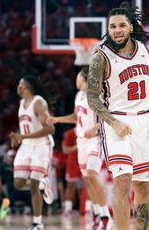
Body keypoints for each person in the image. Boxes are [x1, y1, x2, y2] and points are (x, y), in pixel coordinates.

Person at [86, 3, 149, 230]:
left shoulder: (148, 52)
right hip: (115, 121)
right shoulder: (100, 57)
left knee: (143, 187)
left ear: (131, 27)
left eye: (121, 25)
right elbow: (92, 98)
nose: (116, 30)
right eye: (112, 26)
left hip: (144, 122)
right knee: (121, 182)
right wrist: (113, 122)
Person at [47, 67, 112, 229]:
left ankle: (106, 216)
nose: (75, 79)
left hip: (96, 139)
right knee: (87, 179)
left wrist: (96, 128)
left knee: (92, 174)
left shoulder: (97, 94)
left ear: (84, 78)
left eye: (78, 77)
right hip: (82, 140)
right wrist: (57, 120)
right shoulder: (79, 96)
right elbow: (77, 117)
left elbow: (108, 117)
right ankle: (97, 213)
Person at [9, 75, 55, 230]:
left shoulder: (39, 102)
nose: (18, 87)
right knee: (18, 183)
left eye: (20, 84)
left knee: (34, 185)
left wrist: (23, 136)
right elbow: (26, 128)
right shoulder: (21, 104)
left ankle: (38, 223)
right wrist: (18, 137)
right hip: (26, 146)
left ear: (26, 87)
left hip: (42, 146)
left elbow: (50, 129)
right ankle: (43, 185)